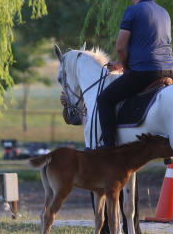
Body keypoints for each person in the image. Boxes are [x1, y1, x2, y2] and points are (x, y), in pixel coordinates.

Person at [97, 0, 173, 149]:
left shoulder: (132, 11)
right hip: (171, 70)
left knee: (104, 100)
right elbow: (150, 45)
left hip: (146, 72)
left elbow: (120, 47)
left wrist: (125, 67)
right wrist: (122, 63)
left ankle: (109, 148)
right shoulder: (164, 12)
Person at [60, 91, 141, 234]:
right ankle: (105, 231)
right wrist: (66, 106)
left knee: (125, 198)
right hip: (93, 155)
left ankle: (132, 229)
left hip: (114, 155)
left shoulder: (106, 96)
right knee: (99, 201)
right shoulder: (81, 100)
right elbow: (70, 120)